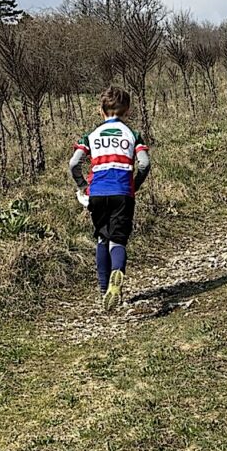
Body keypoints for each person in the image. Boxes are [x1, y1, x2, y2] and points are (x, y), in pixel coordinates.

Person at [68, 86, 151, 311]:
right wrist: (134, 185)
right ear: (128, 110)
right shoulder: (132, 135)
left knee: (102, 239)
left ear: (100, 110)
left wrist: (83, 186)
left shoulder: (91, 135)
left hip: (97, 193)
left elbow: (74, 163)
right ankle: (117, 274)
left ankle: (104, 289)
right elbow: (144, 163)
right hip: (122, 192)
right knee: (118, 241)